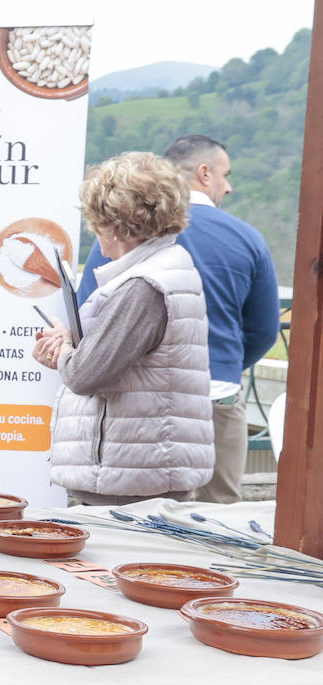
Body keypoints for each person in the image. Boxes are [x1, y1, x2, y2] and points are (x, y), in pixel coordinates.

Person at [78, 135, 279, 504]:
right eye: (225, 175)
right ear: (204, 174)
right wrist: (221, 366)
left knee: (137, 523)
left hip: (137, 407)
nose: (229, 186)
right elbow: (264, 330)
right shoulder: (249, 239)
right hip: (216, 398)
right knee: (218, 528)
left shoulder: (120, 234)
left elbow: (88, 315)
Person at [34, 152, 212, 504]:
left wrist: (65, 350)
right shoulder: (167, 268)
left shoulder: (142, 286)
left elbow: (87, 374)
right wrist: (71, 341)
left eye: (97, 221)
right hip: (145, 468)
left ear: (114, 225)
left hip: (130, 482)